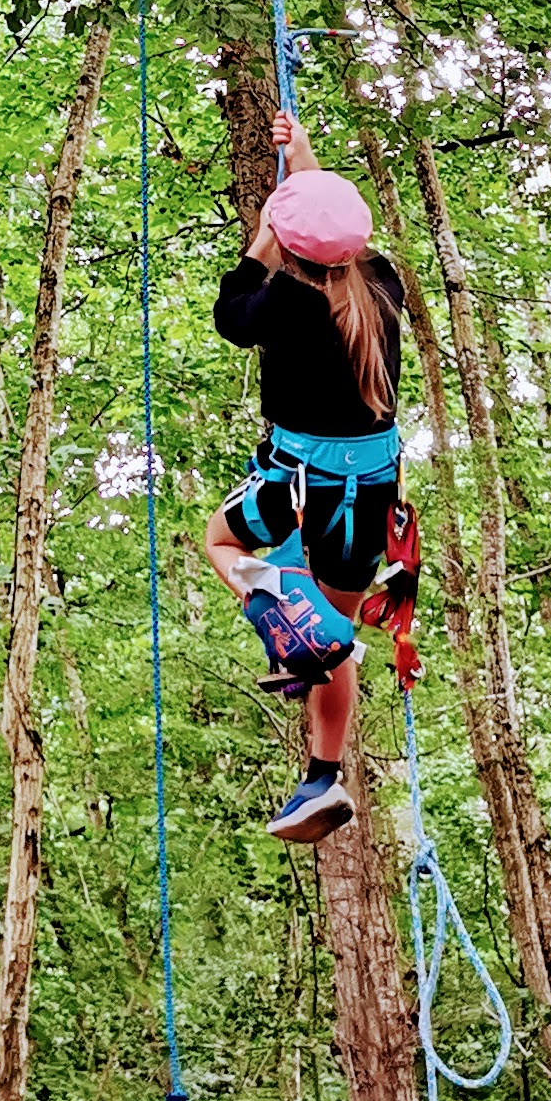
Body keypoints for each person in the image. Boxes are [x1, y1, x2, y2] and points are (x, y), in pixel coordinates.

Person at [205, 114, 412, 847]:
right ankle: (324, 775)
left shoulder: (285, 305)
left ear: (292, 243)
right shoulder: (380, 282)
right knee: (335, 630)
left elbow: (233, 309)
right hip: (371, 492)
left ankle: (305, 629)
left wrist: (266, 227)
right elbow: (328, 227)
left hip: (302, 482)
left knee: (222, 541)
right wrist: (298, 159)